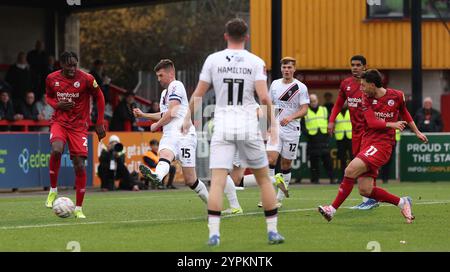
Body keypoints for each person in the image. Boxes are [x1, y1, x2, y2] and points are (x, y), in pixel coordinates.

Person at [182, 18, 285, 246]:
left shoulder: (213, 60)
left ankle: (214, 234)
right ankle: (272, 231)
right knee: (264, 180)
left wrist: (187, 117)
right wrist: (272, 124)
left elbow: (198, 94)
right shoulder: (255, 61)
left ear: (225, 36)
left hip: (223, 126)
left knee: (218, 181)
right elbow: (265, 97)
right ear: (246, 37)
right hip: (248, 126)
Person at [318, 69, 428, 223]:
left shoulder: (397, 95)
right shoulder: (365, 98)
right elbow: (372, 122)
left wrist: (417, 132)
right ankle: (402, 202)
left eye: (363, 85)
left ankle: (332, 209)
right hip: (368, 143)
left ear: (372, 85)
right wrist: (392, 124)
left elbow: (404, 112)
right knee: (366, 190)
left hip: (382, 145)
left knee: (350, 170)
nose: (361, 89)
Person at [134, 59, 209, 205]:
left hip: (184, 134)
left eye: (161, 75)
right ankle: (157, 176)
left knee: (190, 180)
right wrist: (144, 115)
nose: (159, 79)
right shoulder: (164, 93)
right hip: (170, 134)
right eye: (157, 76)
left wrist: (156, 126)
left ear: (171, 73)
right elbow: (164, 114)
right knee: (165, 155)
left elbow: (173, 112)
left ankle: (213, 205)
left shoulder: (176, 85)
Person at [44, 51, 106, 219]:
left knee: (79, 165)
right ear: (61, 65)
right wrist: (58, 105)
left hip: (79, 127)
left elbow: (100, 97)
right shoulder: (51, 78)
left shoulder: (87, 79)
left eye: (74, 65)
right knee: (57, 150)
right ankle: (53, 190)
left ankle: (78, 208)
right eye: (69, 65)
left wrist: (99, 122)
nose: (72, 68)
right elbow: (48, 97)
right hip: (60, 122)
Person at [328, 55, 379, 210]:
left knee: (365, 164)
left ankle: (370, 199)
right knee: (360, 165)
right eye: (353, 65)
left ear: (365, 66)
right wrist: (331, 120)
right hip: (355, 133)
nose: (355, 67)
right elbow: (338, 104)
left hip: (369, 132)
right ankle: (369, 199)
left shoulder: (371, 85)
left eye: (358, 65)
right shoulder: (346, 84)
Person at [264, 56, 309, 206]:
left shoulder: (300, 87)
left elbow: (304, 110)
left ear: (294, 69)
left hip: (292, 130)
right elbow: (270, 105)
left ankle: (279, 198)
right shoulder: (275, 84)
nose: (286, 70)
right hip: (276, 128)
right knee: (270, 160)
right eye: (284, 67)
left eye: (289, 67)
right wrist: (270, 124)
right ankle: (269, 197)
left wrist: (291, 117)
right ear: (281, 69)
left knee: (286, 164)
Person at [303, 94, 335, 184]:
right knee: (314, 161)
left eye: (314, 100)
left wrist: (328, 134)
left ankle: (332, 178)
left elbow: (329, 121)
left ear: (317, 100)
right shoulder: (306, 111)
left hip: (323, 138)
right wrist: (308, 134)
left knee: (327, 161)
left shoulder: (324, 110)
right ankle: (315, 179)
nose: (313, 103)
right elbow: (302, 125)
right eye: (311, 101)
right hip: (312, 139)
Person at [334, 102, 352, 181]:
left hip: (350, 137)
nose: (343, 104)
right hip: (340, 138)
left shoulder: (351, 111)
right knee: (342, 158)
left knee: (352, 157)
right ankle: (342, 176)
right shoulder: (335, 112)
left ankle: (353, 176)